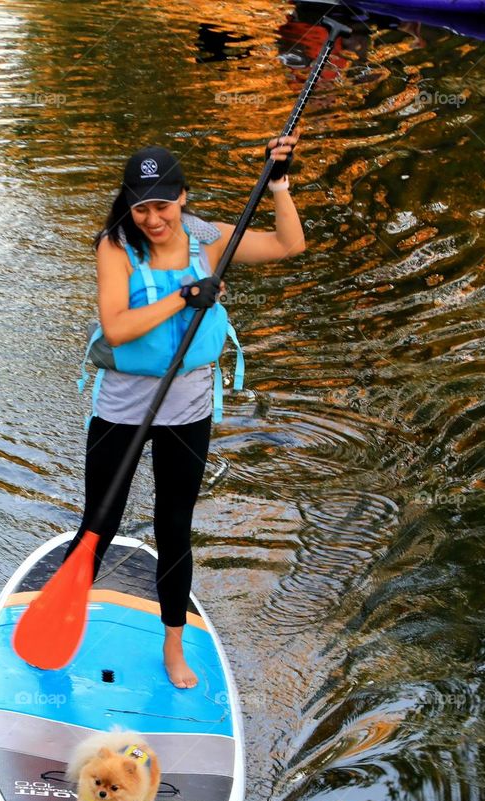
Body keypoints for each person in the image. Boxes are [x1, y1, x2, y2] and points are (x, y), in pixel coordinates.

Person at [65, 136, 306, 689]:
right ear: (128, 205)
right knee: (96, 526)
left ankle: (173, 647)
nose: (153, 219)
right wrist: (184, 296)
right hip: (123, 408)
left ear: (183, 198)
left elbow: (288, 244)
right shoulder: (114, 245)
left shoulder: (208, 237)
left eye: (163, 206)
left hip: (188, 409)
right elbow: (118, 326)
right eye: (141, 207)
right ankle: (68, 629)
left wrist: (279, 187)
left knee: (175, 529)